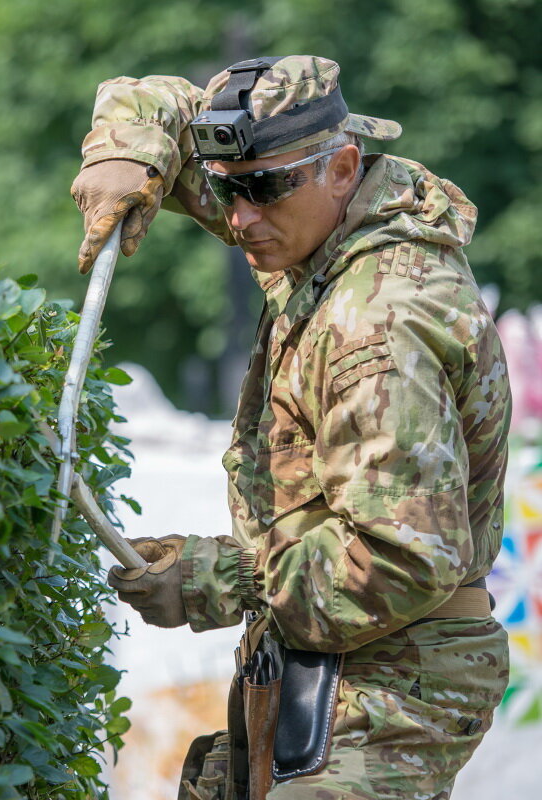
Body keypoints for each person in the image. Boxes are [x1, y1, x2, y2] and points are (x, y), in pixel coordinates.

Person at [71, 56, 511, 800]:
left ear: (342, 167)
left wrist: (216, 576)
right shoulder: (313, 235)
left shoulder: (380, 320)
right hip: (315, 650)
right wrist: (125, 149)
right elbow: (166, 104)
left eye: (264, 188)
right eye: (225, 189)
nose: (238, 217)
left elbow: (404, 557)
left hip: (399, 676)